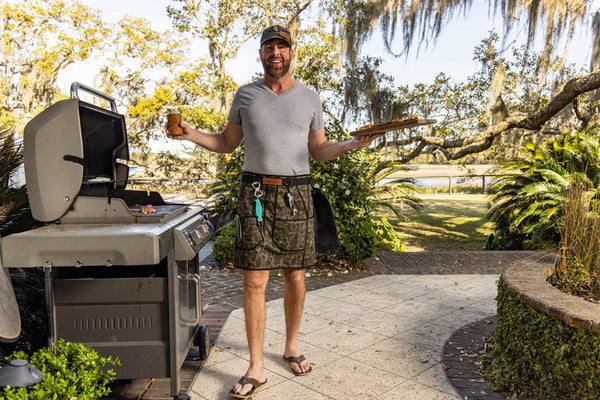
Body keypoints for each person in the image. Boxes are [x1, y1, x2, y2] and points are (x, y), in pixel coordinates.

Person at [167, 24, 380, 399]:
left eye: (282, 47)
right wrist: (190, 134)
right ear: (261, 54)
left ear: (291, 53)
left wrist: (352, 144)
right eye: (269, 47)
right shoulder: (245, 95)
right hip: (255, 194)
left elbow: (318, 150)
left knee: (296, 276)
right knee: (254, 281)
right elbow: (227, 143)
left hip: (296, 194)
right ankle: (256, 366)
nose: (275, 54)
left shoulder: (309, 98)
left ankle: (292, 346)